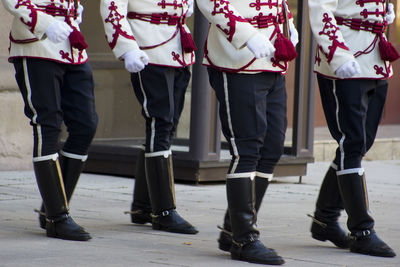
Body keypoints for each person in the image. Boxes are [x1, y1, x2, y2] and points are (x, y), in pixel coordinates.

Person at [197, 0, 298, 264]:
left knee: (272, 148)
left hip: (272, 57)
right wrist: (248, 35)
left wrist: (289, 28)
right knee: (247, 149)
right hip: (238, 58)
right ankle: (244, 239)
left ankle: (232, 230)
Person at [1, 0, 98, 241]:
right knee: (47, 126)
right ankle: (57, 217)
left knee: (86, 125)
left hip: (71, 43)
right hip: (37, 43)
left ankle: (52, 206)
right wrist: (45, 23)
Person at [308, 0, 397, 257]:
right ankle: (362, 231)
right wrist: (337, 55)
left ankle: (325, 218)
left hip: (375, 57)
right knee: (353, 142)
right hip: (345, 57)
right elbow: (320, 8)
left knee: (360, 143)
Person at [100, 0, 198, 235]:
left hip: (177, 47)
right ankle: (163, 212)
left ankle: (143, 206)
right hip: (148, 48)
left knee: (167, 126)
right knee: (160, 123)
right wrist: (127, 47)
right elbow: (111, 7)